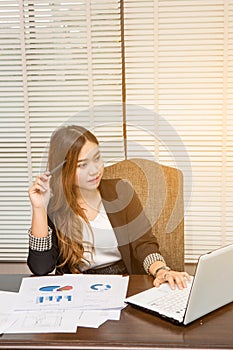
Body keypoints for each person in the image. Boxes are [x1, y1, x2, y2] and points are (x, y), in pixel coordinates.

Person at [28, 125, 190, 290]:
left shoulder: (122, 191)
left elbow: (144, 244)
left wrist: (161, 270)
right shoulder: (55, 206)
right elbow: (41, 268)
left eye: (97, 158)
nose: (95, 170)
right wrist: (39, 208)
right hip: (78, 288)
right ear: (64, 169)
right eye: (82, 165)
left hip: (124, 283)